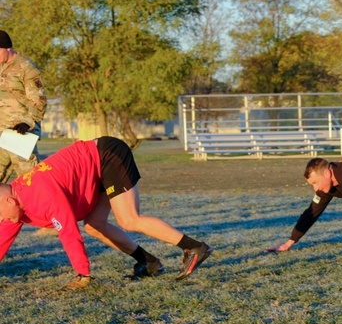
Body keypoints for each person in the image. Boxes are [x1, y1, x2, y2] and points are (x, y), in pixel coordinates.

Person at [0, 137, 211, 287]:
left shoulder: (42, 194)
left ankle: (194, 247)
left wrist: (83, 274)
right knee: (94, 225)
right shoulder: (14, 201)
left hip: (107, 154)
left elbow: (69, 234)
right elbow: (2, 237)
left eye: (0, 214)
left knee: (129, 219)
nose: (2, 219)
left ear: (9, 200)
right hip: (94, 168)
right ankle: (148, 262)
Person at [0, 30, 46, 183]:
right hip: (1, 133)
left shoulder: (26, 68)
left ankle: (42, 207)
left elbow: (38, 100)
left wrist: (27, 122)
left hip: (19, 133)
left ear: (7, 48)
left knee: (31, 181)